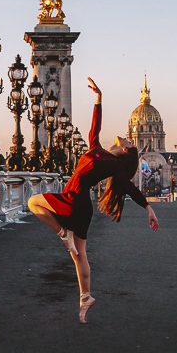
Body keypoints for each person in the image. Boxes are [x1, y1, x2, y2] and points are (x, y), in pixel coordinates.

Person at [28, 77, 159, 323]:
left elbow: (129, 188)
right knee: (80, 256)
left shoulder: (116, 166)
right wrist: (98, 100)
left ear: (128, 150)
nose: (126, 137)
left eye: (130, 141)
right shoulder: (97, 149)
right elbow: (94, 127)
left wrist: (148, 207)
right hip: (81, 204)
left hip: (74, 198)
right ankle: (85, 297)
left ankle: (62, 234)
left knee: (33, 203)